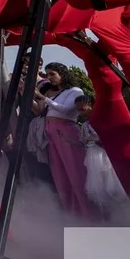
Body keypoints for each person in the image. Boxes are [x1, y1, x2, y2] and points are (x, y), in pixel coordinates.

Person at [32, 63, 99, 218]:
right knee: (60, 175)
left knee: (76, 172)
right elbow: (42, 111)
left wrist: (44, 98)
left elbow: (66, 109)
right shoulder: (55, 93)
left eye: (52, 74)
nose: (49, 77)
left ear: (62, 74)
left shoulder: (75, 91)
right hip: (51, 133)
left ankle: (90, 213)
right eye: (48, 74)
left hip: (66, 132)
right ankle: (72, 212)